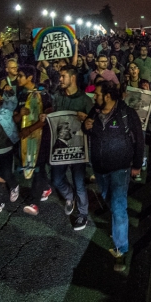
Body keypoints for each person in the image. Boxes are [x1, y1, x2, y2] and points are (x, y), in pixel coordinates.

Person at [83, 81, 144, 271]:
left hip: (121, 168)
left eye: (98, 94)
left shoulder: (127, 114)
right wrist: (86, 126)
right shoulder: (94, 111)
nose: (95, 97)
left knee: (118, 207)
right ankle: (118, 231)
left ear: (107, 96)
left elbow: (139, 139)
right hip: (100, 169)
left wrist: (136, 165)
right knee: (108, 200)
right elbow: (88, 131)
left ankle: (121, 249)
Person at [47, 65, 94, 230]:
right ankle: (69, 195)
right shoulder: (58, 97)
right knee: (56, 179)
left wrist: (87, 119)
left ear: (72, 78)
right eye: (60, 76)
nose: (60, 79)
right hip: (60, 147)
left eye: (63, 76)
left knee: (79, 183)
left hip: (78, 149)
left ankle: (83, 214)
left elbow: (94, 123)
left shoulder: (85, 100)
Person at [15, 66, 54, 216]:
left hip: (41, 137)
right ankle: (46, 186)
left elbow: (47, 117)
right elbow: (16, 117)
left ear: (30, 77)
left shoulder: (43, 94)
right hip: (25, 139)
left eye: (21, 75)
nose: (18, 78)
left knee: (37, 166)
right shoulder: (21, 94)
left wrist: (30, 129)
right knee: (33, 165)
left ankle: (34, 203)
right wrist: (19, 115)